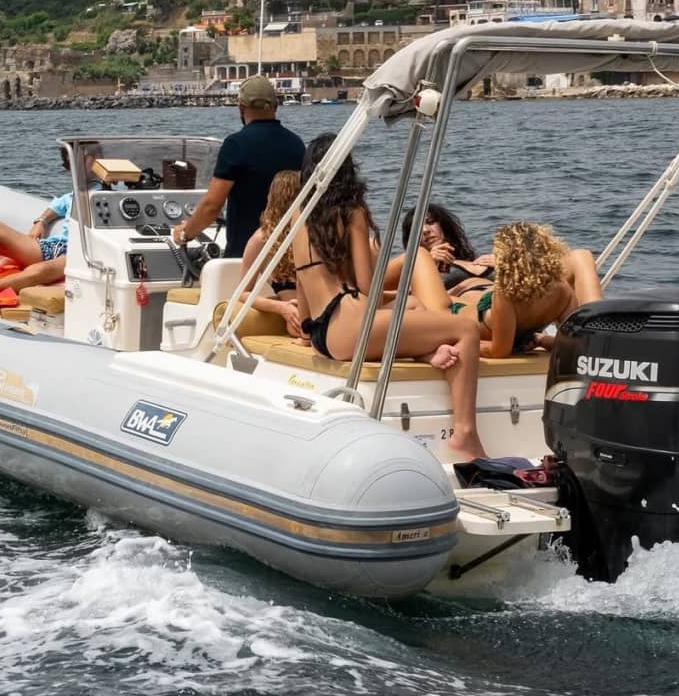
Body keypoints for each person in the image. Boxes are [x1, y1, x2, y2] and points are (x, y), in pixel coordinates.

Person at [293, 134, 486, 461]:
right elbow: (367, 288)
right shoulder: (351, 211)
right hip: (351, 327)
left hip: (323, 334)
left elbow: (304, 295)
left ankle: (428, 354)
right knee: (464, 330)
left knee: (411, 306)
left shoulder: (300, 213)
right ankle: (465, 433)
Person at [172, 75, 305, 258]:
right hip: (288, 254)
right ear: (276, 106)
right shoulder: (297, 144)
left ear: (241, 108)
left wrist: (186, 233)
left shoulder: (236, 144)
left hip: (245, 255)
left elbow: (212, 206)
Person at [0, 145, 101, 292]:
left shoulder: (105, 193)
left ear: (97, 159)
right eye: (70, 162)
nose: (74, 166)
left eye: (81, 158)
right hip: (52, 246)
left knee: (40, 271)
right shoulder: (72, 195)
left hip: (76, 251)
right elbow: (57, 206)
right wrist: (41, 221)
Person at [453, 221, 603, 358]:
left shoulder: (507, 293)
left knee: (447, 301)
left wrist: (458, 343)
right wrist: (541, 340)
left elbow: (498, 351)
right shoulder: (563, 289)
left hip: (459, 311)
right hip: (478, 302)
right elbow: (575, 344)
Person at [238, 170, 304, 338]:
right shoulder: (261, 240)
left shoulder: (312, 233)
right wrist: (282, 308)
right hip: (300, 320)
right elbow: (243, 294)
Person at [401, 203, 495, 291]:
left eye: (430, 222)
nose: (425, 230)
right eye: (417, 229)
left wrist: (505, 264)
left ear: (443, 226)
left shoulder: (473, 260)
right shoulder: (413, 269)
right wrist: (428, 262)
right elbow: (406, 294)